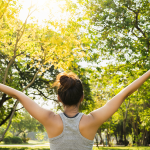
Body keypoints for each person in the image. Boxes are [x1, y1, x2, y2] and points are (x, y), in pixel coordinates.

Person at [0, 70, 150, 150]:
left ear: (59, 98)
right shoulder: (92, 121)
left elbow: (17, 94)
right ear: (82, 97)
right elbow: (124, 94)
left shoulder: (49, 119)